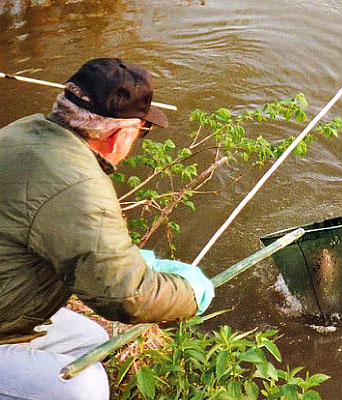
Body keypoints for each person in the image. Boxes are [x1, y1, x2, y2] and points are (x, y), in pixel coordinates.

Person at [0, 58, 214, 400]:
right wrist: (190, 293)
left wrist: (139, 259)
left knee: (92, 340)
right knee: (86, 389)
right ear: (117, 136)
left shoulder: (25, 131)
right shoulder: (77, 184)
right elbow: (127, 297)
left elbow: (46, 228)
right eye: (141, 132)